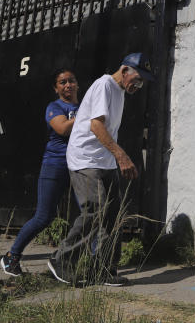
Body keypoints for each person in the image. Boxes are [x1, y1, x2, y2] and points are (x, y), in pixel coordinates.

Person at [47, 53, 154, 287]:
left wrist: (114, 159)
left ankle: (104, 269)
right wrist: (122, 156)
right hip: (85, 159)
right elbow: (96, 126)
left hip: (104, 162)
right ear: (125, 70)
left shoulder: (120, 92)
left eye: (143, 81)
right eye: (137, 78)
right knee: (96, 209)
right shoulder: (105, 84)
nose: (139, 84)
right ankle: (62, 259)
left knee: (113, 216)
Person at [0, 68, 79, 276]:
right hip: (55, 164)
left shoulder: (83, 107)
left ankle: (88, 260)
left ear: (77, 84)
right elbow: (62, 129)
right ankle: (11, 257)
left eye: (71, 81)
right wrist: (88, 116)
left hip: (80, 165)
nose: (68, 85)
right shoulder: (54, 107)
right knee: (44, 216)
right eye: (62, 82)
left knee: (89, 213)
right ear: (56, 88)